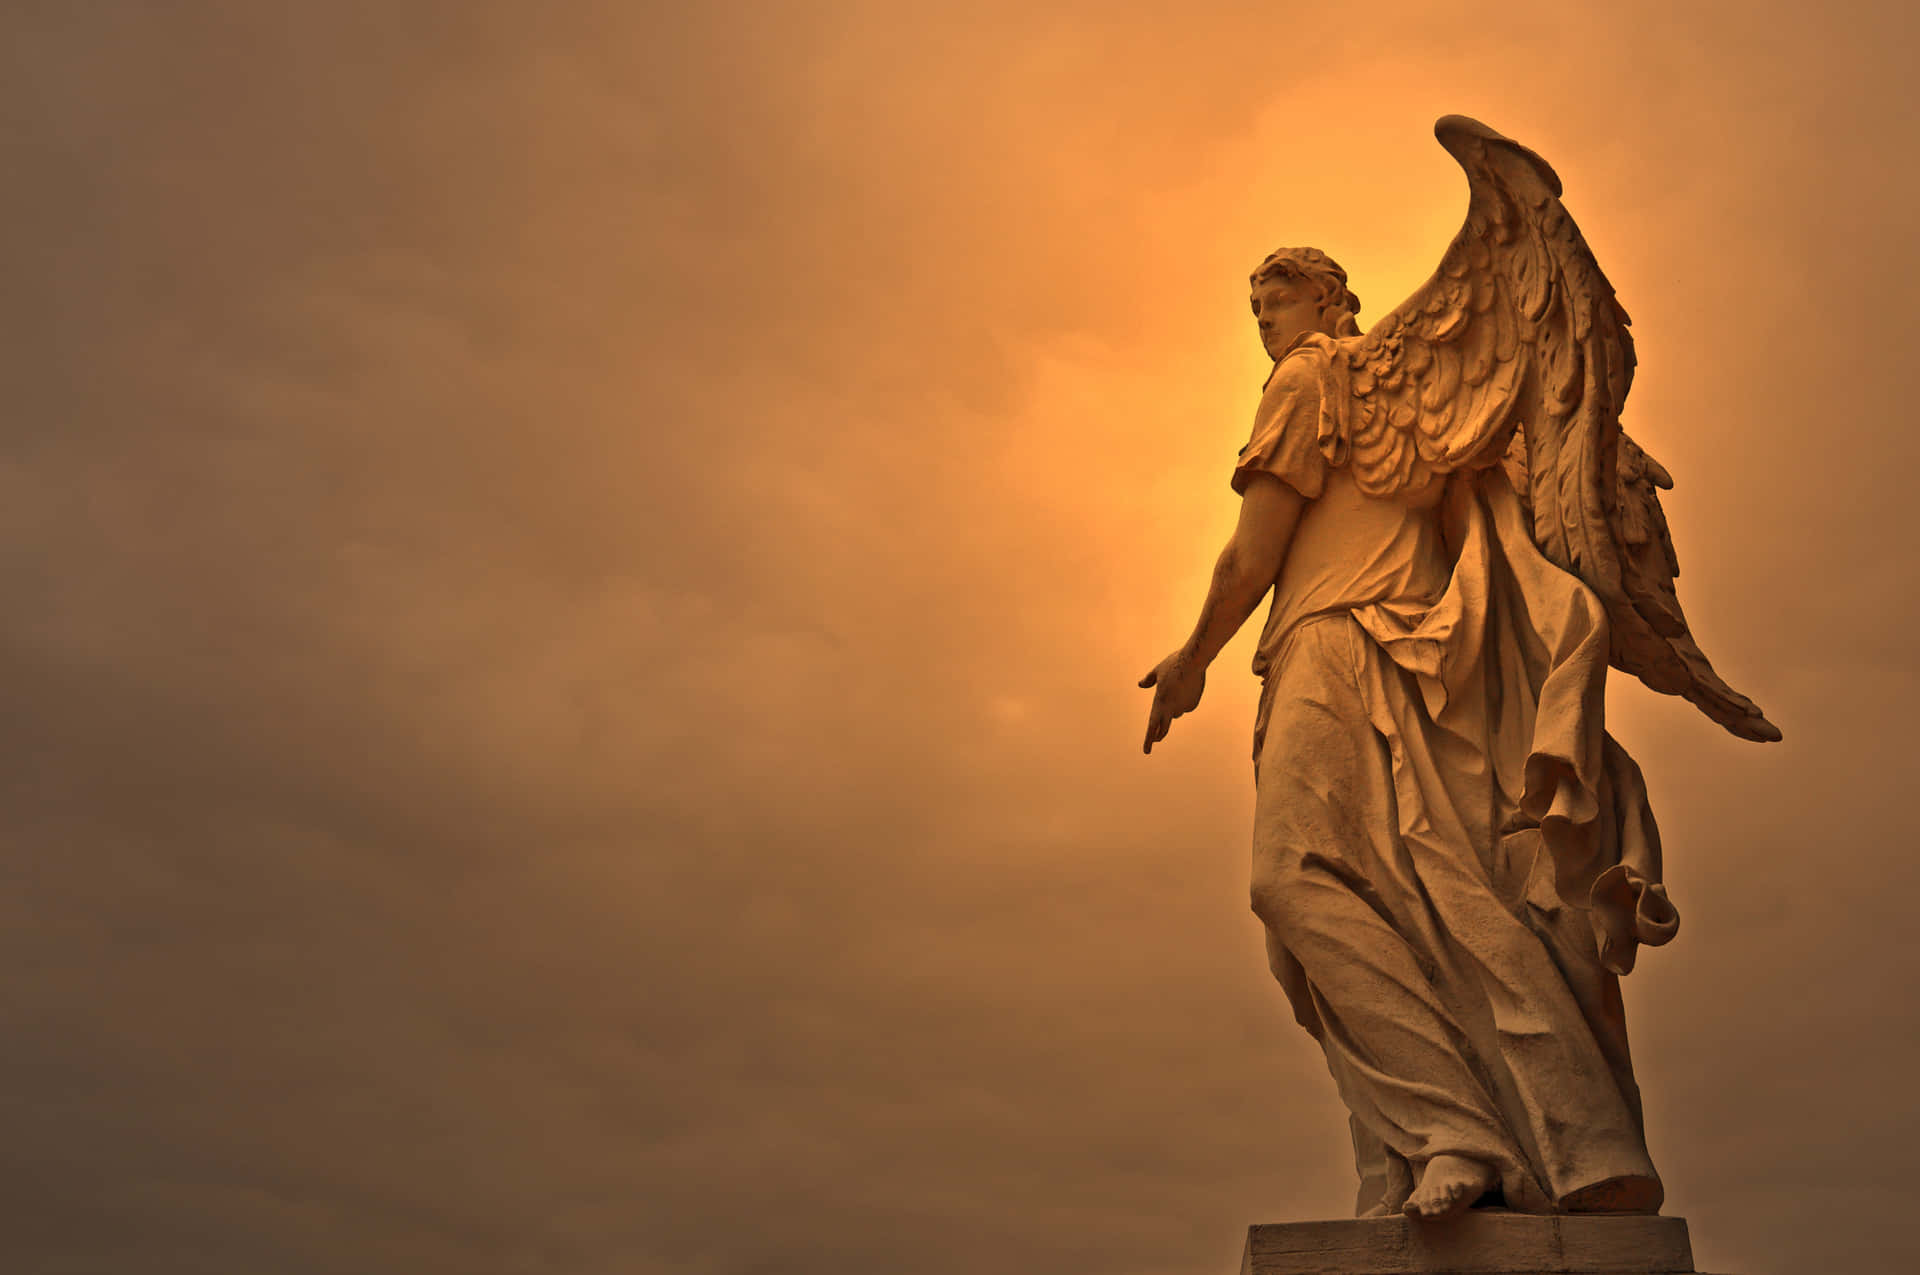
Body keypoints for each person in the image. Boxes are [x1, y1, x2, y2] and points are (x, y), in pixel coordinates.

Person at [1139, 247, 1679, 1221]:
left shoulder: (1313, 377)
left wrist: (1191, 658)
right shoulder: (1391, 398)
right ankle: (1408, 1159)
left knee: (1294, 882)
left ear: (1332, 301)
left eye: (1280, 297)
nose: (1264, 316)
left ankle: (1454, 1132)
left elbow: (1256, 549)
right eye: (1253, 302)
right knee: (1362, 923)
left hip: (1341, 643)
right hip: (1395, 658)